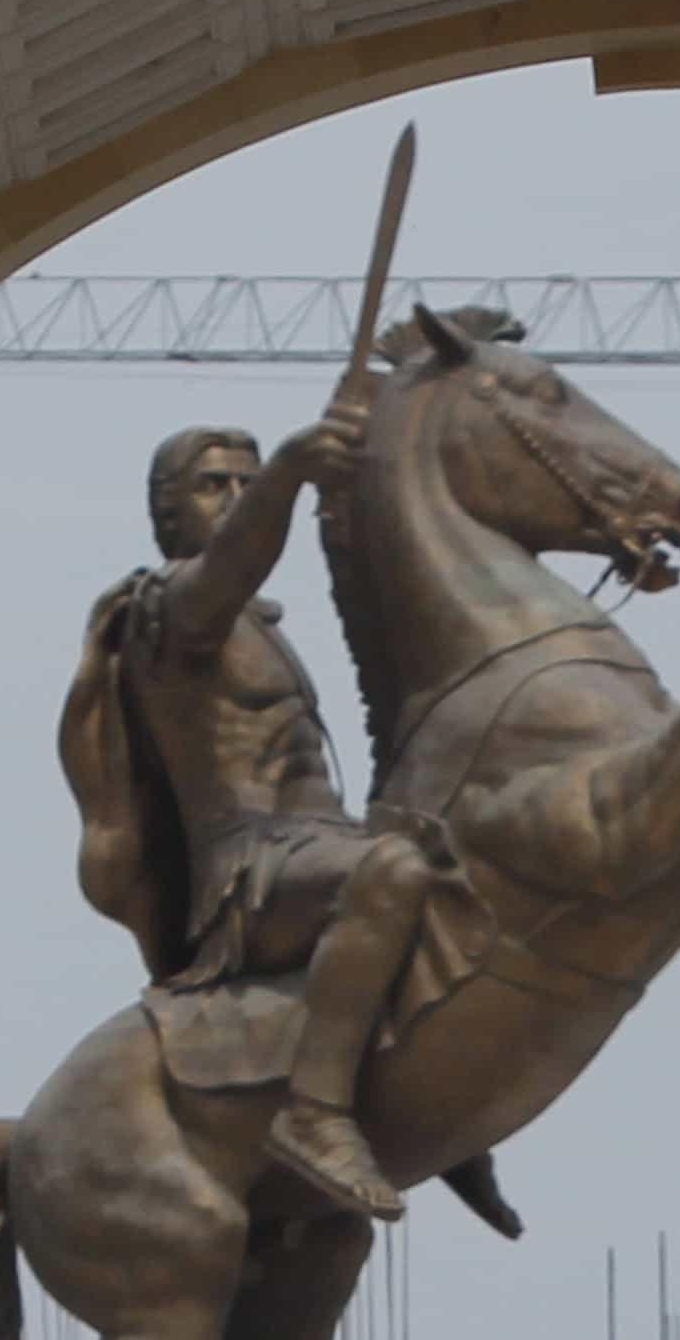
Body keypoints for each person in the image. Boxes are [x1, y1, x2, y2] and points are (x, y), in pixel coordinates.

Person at [67, 391, 443, 1223]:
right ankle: (316, 1112)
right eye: (213, 486)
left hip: (319, 843)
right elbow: (235, 563)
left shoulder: (262, 625)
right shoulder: (167, 612)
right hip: (252, 870)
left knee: (465, 860)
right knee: (394, 869)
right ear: (169, 515)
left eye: (245, 481)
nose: (235, 497)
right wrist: (289, 475)